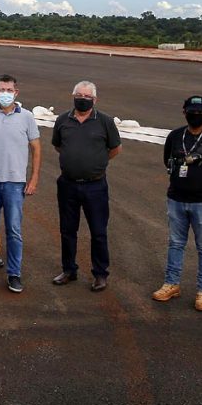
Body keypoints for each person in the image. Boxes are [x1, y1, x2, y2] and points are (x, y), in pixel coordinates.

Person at [151, 96, 202, 311]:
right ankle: (171, 284)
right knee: (175, 243)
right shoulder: (175, 136)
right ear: (184, 112)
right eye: (191, 111)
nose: (194, 115)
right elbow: (167, 160)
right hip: (176, 199)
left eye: (199, 112)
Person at [51, 81, 122, 292]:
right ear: (73, 96)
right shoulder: (62, 120)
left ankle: (100, 274)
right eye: (79, 95)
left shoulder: (105, 121)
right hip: (68, 185)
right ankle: (68, 270)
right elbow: (58, 145)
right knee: (67, 230)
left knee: (98, 231)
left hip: (95, 186)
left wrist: (96, 162)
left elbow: (115, 148)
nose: (83, 99)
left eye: (87, 97)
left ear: (95, 100)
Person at [0, 74, 41, 293]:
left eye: (9, 90)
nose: (5, 93)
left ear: (16, 92)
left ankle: (14, 274)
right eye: (2, 90)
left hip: (15, 183)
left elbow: (36, 148)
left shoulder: (27, 117)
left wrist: (33, 178)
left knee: (13, 230)